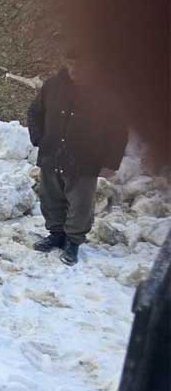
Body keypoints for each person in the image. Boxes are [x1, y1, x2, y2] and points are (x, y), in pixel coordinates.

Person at [26, 51, 128, 266]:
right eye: (71, 66)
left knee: (80, 203)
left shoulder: (106, 93)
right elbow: (35, 113)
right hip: (52, 154)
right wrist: (39, 139)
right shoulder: (53, 86)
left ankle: (73, 241)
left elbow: (118, 131)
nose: (75, 71)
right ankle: (56, 234)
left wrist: (111, 162)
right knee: (50, 197)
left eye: (81, 67)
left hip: (85, 158)